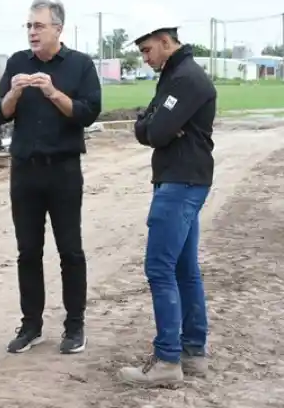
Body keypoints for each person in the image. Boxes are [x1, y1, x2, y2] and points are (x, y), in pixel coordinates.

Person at [0, 0, 102, 355]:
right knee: (28, 252)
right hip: (25, 170)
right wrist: (14, 91)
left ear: (58, 29)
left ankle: (75, 325)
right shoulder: (16, 63)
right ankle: (31, 325)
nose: (32, 32)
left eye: (38, 26)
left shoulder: (80, 65)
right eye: (28, 26)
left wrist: (53, 92)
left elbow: (87, 113)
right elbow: (0, 113)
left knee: (70, 250)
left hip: (64, 171)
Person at [117, 25, 217, 387]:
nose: (145, 59)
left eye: (147, 50)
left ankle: (167, 360)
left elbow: (155, 133)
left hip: (179, 183)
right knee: (184, 269)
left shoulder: (186, 79)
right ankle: (193, 352)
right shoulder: (176, 75)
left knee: (160, 268)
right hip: (184, 179)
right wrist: (153, 124)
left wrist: (155, 126)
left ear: (165, 42)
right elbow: (146, 126)